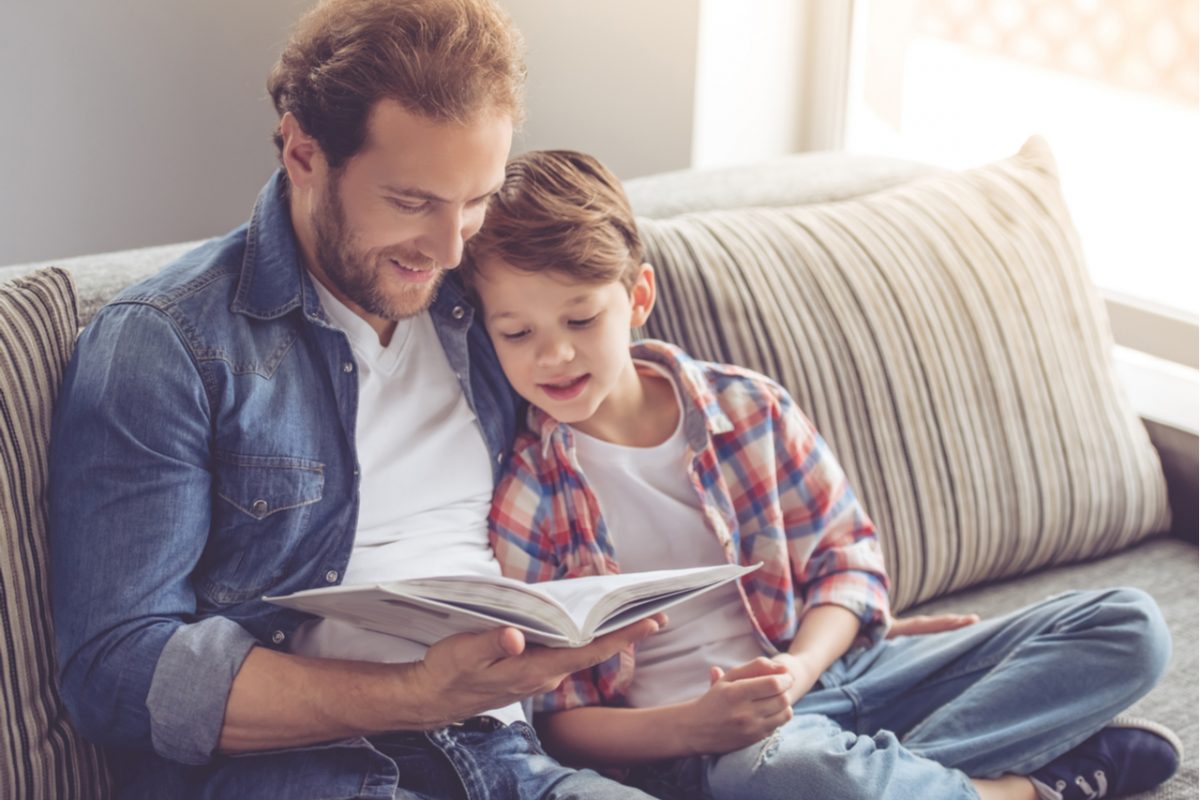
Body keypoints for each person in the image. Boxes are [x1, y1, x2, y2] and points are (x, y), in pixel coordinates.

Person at [48, 3, 667, 798]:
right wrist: (414, 694)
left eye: (473, 200)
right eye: (412, 202)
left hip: (506, 755)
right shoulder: (166, 344)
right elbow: (118, 668)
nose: (449, 250)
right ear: (303, 151)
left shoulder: (487, 303)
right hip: (302, 773)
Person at [458, 149, 1183, 800]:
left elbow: (849, 567)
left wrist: (803, 668)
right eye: (518, 333)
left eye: (580, 320)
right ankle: (1017, 793)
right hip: (718, 749)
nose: (553, 356)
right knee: (786, 773)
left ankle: (893, 783)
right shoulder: (528, 499)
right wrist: (693, 728)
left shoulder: (748, 409)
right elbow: (555, 718)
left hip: (839, 674)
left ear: (637, 297)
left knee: (1128, 625)